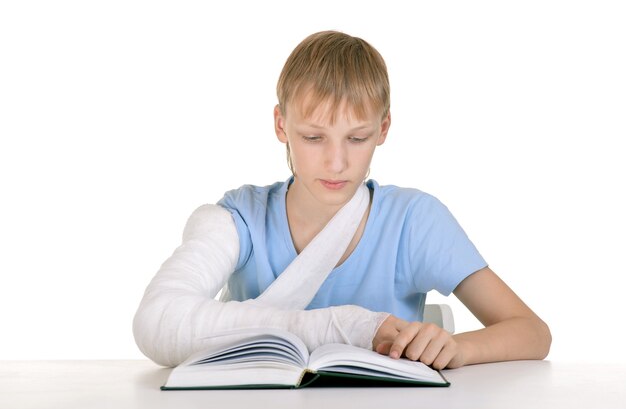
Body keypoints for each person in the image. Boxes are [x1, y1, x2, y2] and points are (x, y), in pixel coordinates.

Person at [133, 30, 551, 369]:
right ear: (281, 125)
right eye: (313, 137)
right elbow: (157, 322)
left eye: (357, 138)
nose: (336, 162)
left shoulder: (413, 221)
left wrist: (460, 348)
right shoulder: (239, 218)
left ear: (384, 128)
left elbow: (532, 332)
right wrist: (352, 326)